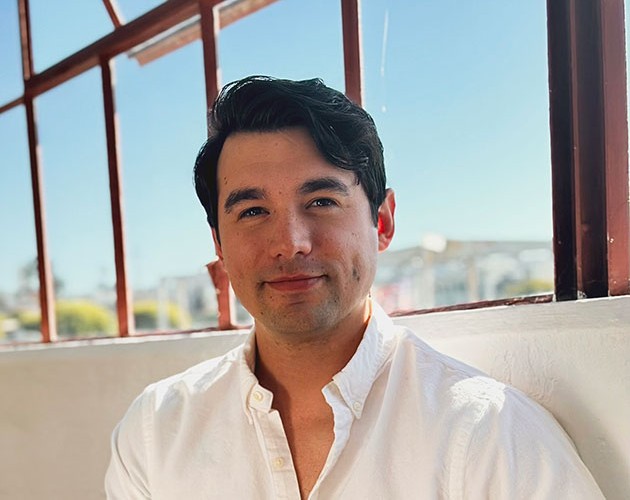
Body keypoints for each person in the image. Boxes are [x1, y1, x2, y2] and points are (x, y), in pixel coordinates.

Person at [105, 76, 604, 499]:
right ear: (219, 242)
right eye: (252, 211)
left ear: (382, 222)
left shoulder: (489, 436)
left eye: (321, 200)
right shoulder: (157, 430)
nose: (289, 243)